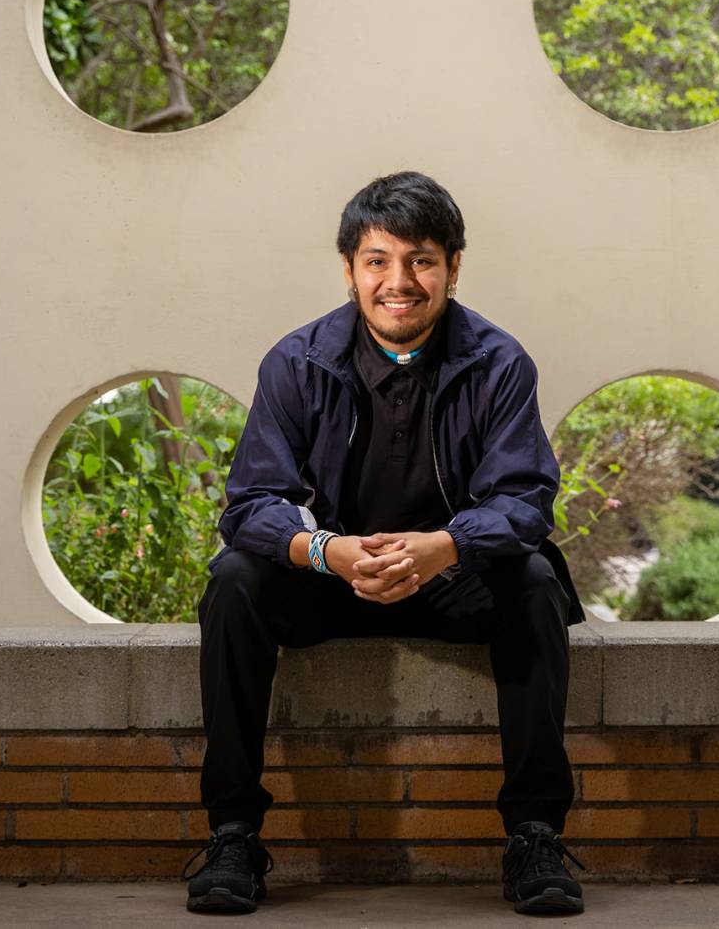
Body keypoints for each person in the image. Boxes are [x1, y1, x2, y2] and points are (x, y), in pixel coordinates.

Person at [180, 171, 587, 916]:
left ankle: (534, 835)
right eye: (377, 261)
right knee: (235, 581)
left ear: (453, 267)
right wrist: (325, 551)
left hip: (451, 578)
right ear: (350, 269)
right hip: (332, 579)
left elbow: (525, 501)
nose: (399, 282)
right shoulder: (297, 362)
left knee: (534, 583)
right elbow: (251, 504)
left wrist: (444, 546)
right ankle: (233, 834)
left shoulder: (499, 362)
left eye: (421, 260)